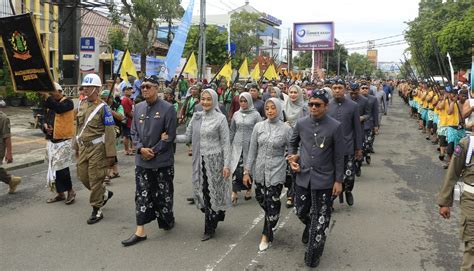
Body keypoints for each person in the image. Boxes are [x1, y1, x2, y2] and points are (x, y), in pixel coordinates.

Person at [288, 89, 344, 268]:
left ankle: (313, 254)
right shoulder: (302, 123)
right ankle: (309, 226)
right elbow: (292, 143)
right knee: (300, 210)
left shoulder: (335, 126)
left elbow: (339, 156)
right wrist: (292, 157)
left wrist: (338, 180)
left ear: (326, 106)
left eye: (317, 105)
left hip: (325, 179)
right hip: (303, 176)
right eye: (311, 104)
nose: (313, 107)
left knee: (321, 217)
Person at [121, 75, 177, 247]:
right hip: (142, 162)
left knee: (163, 196)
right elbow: (134, 132)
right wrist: (140, 149)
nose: (144, 89)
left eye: (148, 86)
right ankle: (140, 230)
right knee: (142, 195)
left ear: (156, 88)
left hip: (161, 162)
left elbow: (170, 136)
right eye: (143, 86)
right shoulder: (137, 108)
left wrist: (153, 151)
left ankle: (167, 219)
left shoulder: (168, 109)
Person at [176, 89, 231, 241]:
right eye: (203, 99)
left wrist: (227, 165)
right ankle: (215, 214)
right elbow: (187, 137)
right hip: (199, 161)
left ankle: (209, 227)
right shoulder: (196, 117)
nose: (205, 102)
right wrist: (170, 138)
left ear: (214, 100)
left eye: (209, 99)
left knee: (210, 192)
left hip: (215, 161)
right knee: (200, 193)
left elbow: (226, 143)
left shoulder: (220, 119)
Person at [244, 97, 291, 251]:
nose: (270, 111)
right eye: (267, 108)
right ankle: (274, 215)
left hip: (277, 170)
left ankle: (266, 235)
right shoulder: (259, 127)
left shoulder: (286, 129)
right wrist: (247, 171)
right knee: (262, 198)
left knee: (271, 200)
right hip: (260, 171)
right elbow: (252, 150)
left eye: (273, 108)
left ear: (278, 109)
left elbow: (293, 149)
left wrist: (291, 161)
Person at [74, 73, 116, 224]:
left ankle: (97, 209)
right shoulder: (81, 104)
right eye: (84, 86)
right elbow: (77, 127)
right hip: (84, 147)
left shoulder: (103, 108)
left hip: (98, 148)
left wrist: (110, 154)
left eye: (89, 86)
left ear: (96, 89)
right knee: (83, 176)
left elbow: (110, 131)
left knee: (96, 177)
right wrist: (75, 146)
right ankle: (103, 193)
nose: (85, 89)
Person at [438, 134, 474, 270]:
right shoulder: (467, 144)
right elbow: (452, 173)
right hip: (472, 202)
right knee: (472, 248)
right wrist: (445, 202)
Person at [327, 81, 362, 206]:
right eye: (334, 88)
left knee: (349, 175)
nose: (337, 90)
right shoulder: (327, 105)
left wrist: (358, 148)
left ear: (345, 89)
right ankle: (330, 199)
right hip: (330, 148)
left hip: (347, 146)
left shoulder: (353, 106)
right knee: (331, 175)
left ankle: (348, 191)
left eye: (339, 88)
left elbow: (357, 128)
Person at [42, 83, 76, 204]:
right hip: (52, 140)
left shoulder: (68, 102)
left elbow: (59, 108)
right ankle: (60, 193)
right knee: (53, 168)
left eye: (53, 92)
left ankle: (70, 191)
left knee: (62, 168)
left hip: (63, 140)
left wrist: (47, 97)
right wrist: (45, 126)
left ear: (60, 91)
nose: (51, 95)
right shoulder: (51, 104)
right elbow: (45, 119)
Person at [229, 92, 262, 205]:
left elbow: (260, 131)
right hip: (237, 145)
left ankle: (248, 188)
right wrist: (229, 143)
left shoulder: (256, 115)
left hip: (250, 144)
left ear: (249, 101)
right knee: (235, 167)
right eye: (241, 101)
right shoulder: (236, 114)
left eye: (245, 101)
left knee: (248, 166)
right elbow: (232, 129)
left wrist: (258, 145)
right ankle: (234, 192)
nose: (243, 103)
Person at [284, 85, 308, 207]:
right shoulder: (283, 107)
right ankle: (291, 191)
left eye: (295, 92)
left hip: (300, 143)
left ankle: (292, 195)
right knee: (287, 171)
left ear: (299, 94)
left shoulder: (304, 108)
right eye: (291, 92)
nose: (293, 94)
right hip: (285, 143)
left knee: (296, 170)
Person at [100, 90, 125, 184]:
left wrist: (111, 111)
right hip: (103, 132)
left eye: (104, 98)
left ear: (110, 98)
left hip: (115, 131)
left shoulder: (118, 106)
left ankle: (108, 173)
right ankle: (115, 170)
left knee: (109, 151)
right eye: (101, 98)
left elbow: (121, 117)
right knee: (108, 151)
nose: (102, 100)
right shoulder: (100, 106)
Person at [0, 111, 21, 194]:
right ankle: (11, 180)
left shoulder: (3, 118)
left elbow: (7, 137)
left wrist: (9, 153)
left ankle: (11, 180)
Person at [179, 85, 201, 156]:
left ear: (198, 91)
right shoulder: (188, 98)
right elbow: (183, 107)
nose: (193, 91)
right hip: (188, 117)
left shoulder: (201, 98)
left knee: (196, 132)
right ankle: (190, 147)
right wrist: (180, 116)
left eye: (195, 89)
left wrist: (198, 102)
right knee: (188, 132)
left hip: (197, 117)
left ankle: (195, 146)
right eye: (192, 89)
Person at [122, 86, 134, 156]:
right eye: (127, 90)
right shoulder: (125, 100)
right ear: (124, 91)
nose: (130, 91)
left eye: (130, 89)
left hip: (131, 119)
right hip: (127, 119)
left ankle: (130, 148)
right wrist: (134, 117)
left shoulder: (129, 99)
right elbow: (127, 111)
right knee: (126, 135)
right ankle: (126, 150)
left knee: (130, 135)